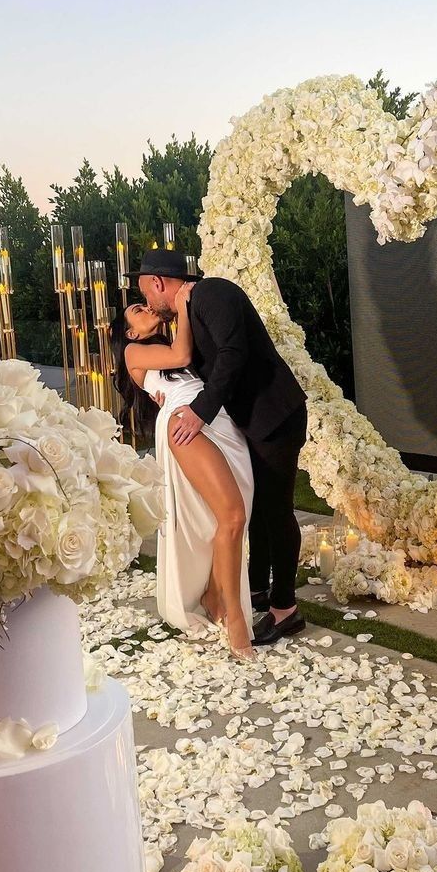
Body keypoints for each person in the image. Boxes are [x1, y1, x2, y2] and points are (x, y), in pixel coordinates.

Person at [137, 248, 308, 646]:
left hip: (275, 416)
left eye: (147, 294)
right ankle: (258, 590)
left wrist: (199, 412)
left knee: (277, 511)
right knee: (259, 509)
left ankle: (286, 610)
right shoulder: (186, 313)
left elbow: (233, 354)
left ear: (159, 282)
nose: (148, 303)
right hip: (250, 422)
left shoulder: (213, 292)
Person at [113, 281, 255, 660]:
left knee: (227, 517)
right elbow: (181, 353)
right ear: (130, 333)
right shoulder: (134, 352)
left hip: (218, 419)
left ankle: (214, 594)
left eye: (145, 304)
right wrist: (182, 303)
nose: (146, 309)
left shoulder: (169, 341)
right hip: (184, 421)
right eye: (138, 312)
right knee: (232, 514)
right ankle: (236, 617)